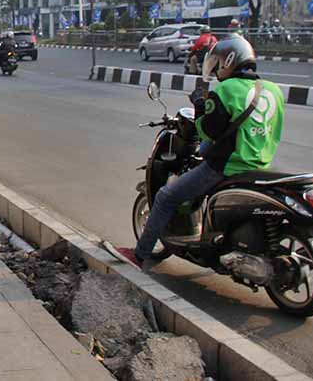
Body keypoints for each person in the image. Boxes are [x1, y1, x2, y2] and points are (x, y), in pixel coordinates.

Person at [116, 35, 284, 270]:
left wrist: (199, 104)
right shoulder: (274, 91)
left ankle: (139, 255)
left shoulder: (226, 90)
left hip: (226, 167)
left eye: (217, 65)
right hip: (260, 166)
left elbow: (207, 131)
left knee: (165, 197)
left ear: (228, 61)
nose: (216, 72)